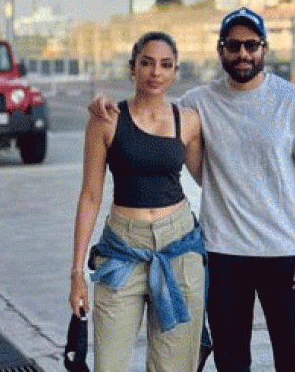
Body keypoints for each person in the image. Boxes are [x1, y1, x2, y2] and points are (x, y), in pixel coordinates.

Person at [90, 7, 295, 372]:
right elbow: (153, 109)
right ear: (220, 50)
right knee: (230, 361)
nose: (243, 53)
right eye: (233, 45)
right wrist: (100, 103)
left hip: (284, 252)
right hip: (222, 254)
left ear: (264, 49)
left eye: (251, 45)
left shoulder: (293, 100)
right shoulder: (197, 103)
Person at [70, 31, 206, 372]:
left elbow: (213, 182)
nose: (156, 73)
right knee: (108, 365)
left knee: (174, 367)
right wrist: (76, 272)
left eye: (166, 65)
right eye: (147, 63)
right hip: (122, 250)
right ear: (133, 67)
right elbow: (90, 196)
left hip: (179, 247)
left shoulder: (187, 121)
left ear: (175, 71)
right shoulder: (106, 119)